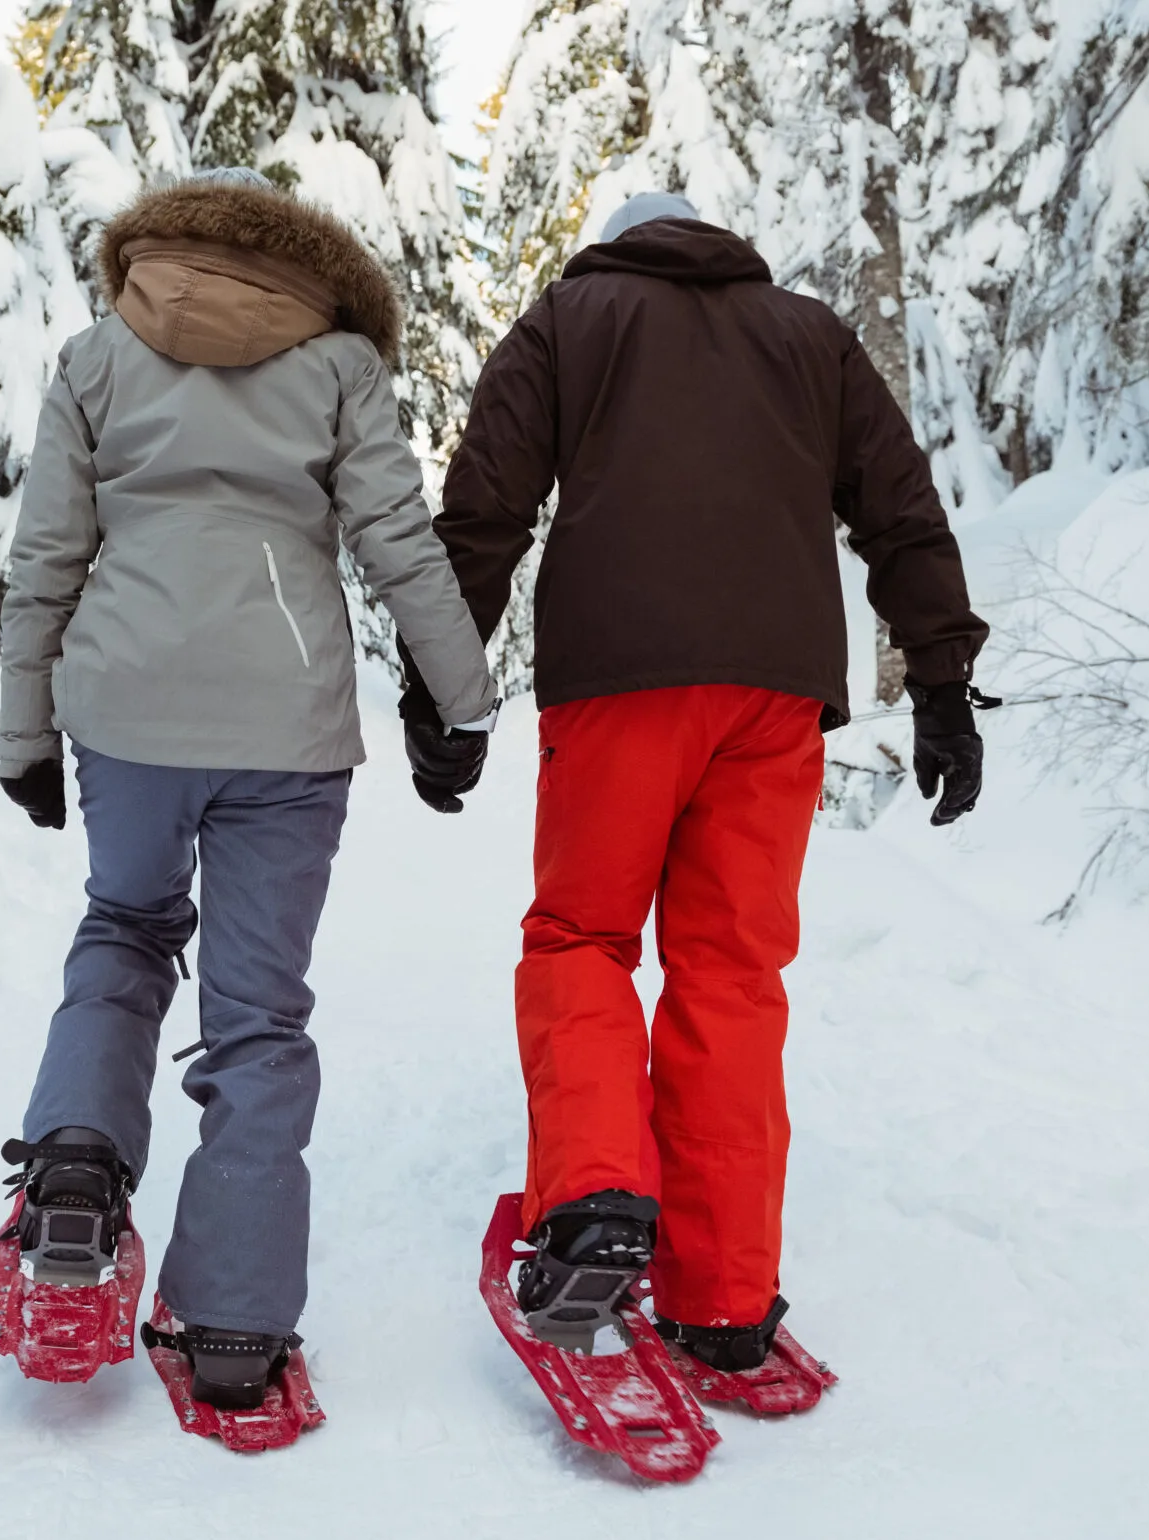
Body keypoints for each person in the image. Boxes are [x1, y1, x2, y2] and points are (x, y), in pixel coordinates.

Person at [410, 190, 990, 1370]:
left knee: (581, 935)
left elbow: (485, 507)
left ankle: (592, 1200)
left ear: (617, 247)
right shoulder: (810, 334)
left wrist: (446, 687)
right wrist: (939, 680)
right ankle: (722, 1299)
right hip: (774, 695)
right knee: (731, 970)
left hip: (619, 681)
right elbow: (900, 508)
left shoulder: (570, 319)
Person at [0, 168, 500, 1410]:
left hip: (123, 710)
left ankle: (73, 1166)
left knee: (124, 927)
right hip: (287, 726)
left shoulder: (97, 356)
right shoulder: (338, 367)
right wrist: (460, 698)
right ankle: (233, 1320)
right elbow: (396, 541)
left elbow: (47, 555)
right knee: (260, 1014)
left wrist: (25, 729)